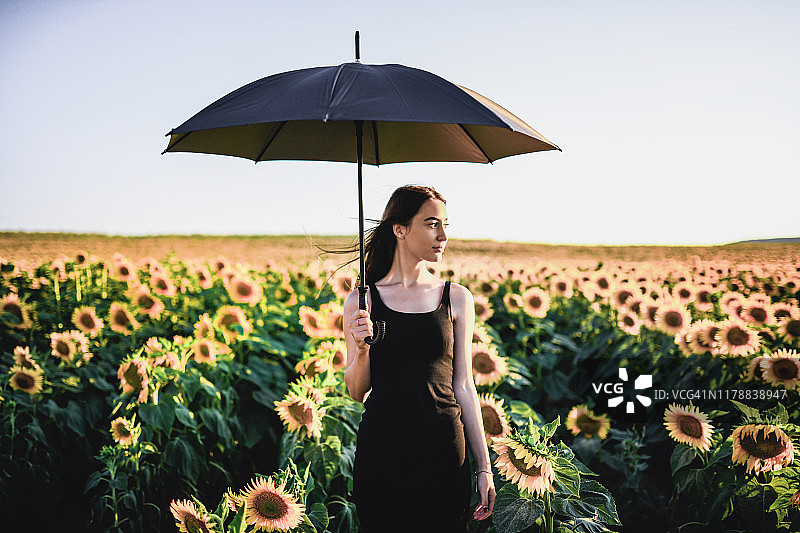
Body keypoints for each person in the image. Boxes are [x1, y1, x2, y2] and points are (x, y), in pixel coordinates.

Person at [343, 185, 495, 532]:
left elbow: (464, 386)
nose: (443, 235)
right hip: (383, 450)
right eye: (431, 224)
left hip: (443, 449)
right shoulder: (361, 301)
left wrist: (484, 468)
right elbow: (355, 390)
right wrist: (363, 349)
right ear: (400, 229)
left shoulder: (455, 297)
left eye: (445, 224)